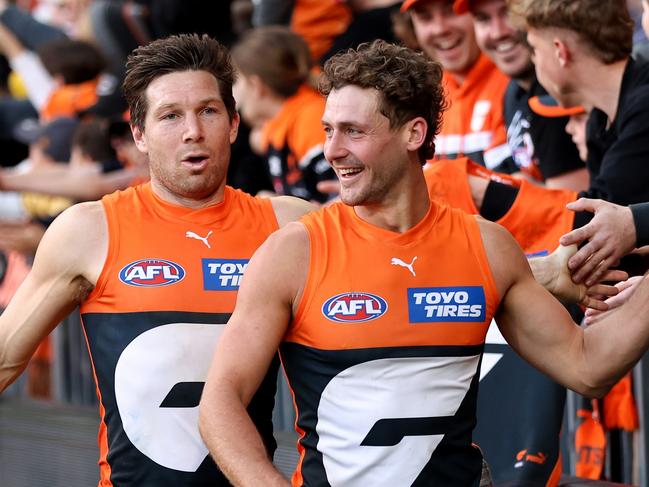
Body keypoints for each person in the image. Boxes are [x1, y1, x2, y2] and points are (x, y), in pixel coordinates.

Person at [198, 40, 649, 486]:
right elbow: (220, 401)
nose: (333, 151)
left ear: (413, 134)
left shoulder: (487, 247)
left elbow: (586, 367)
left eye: (353, 131)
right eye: (328, 130)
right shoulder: (293, 253)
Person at [0, 33, 314, 486]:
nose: (193, 131)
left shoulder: (288, 228)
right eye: (170, 116)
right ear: (139, 134)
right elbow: (7, 355)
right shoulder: (90, 230)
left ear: (233, 124)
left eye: (208, 111)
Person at [510, 0, 649, 206]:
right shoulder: (600, 119)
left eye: (535, 50)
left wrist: (490, 191)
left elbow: (598, 217)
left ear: (560, 52)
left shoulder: (643, 106)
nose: (535, 62)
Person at [455, 0, 587, 190]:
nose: (498, 32)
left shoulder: (557, 90)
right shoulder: (513, 91)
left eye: (508, 13)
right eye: (483, 19)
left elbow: (575, 208)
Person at [402, 0, 514, 172]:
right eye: (425, 17)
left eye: (452, 11)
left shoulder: (517, 83)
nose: (440, 29)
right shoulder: (416, 97)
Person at [231, 26, 336, 203]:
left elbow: (337, 197)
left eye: (236, 82)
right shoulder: (278, 125)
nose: (234, 94)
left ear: (256, 86)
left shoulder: (311, 119)